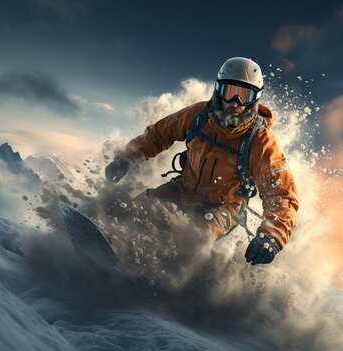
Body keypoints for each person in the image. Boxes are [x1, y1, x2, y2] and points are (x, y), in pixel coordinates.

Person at [105, 57, 299, 265]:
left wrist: (272, 236)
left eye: (244, 95)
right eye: (230, 91)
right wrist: (126, 158)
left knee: (191, 237)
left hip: (223, 208)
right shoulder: (199, 116)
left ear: (255, 99)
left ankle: (155, 272)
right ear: (218, 89)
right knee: (137, 209)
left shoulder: (260, 141)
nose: (235, 102)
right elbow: (158, 135)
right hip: (183, 189)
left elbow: (281, 194)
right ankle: (110, 243)